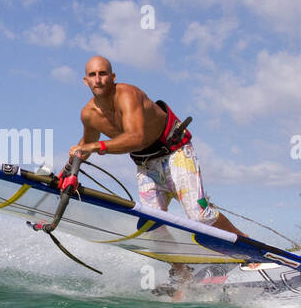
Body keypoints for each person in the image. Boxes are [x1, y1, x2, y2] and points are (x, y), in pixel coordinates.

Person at [68, 56, 247, 238]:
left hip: (175, 153)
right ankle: (181, 267)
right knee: (151, 226)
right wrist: (66, 173)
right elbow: (85, 145)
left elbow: (136, 138)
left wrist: (95, 146)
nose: (98, 80)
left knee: (199, 216)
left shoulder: (128, 95)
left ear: (113, 77)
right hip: (146, 165)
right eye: (92, 75)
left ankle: (247, 245)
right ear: (86, 81)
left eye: (102, 74)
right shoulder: (88, 114)